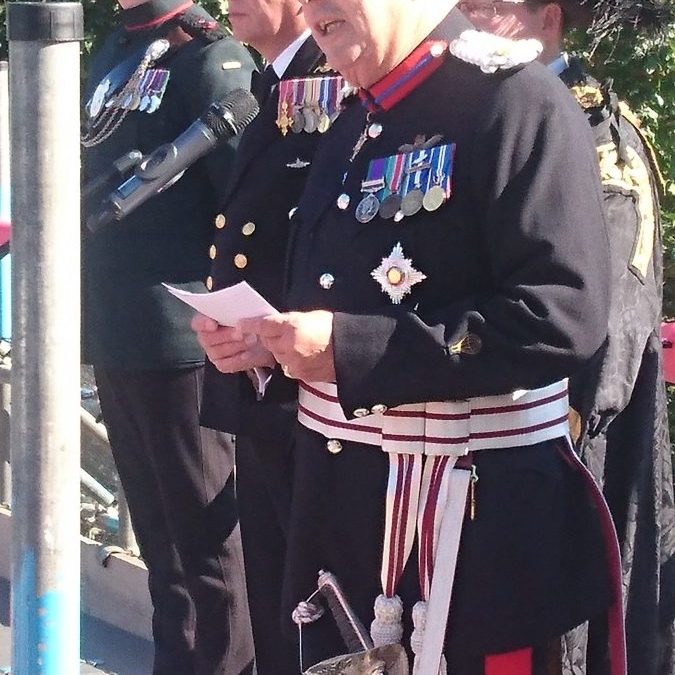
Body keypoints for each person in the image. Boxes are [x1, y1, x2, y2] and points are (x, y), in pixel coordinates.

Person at [196, 0, 628, 672]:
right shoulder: (354, 113)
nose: (308, 8)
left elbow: (560, 314)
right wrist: (270, 348)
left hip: (469, 538)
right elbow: (340, 301)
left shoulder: (515, 101)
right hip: (341, 530)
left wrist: (350, 349)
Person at [456, 3, 675, 673]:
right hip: (471, 447)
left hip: (566, 448)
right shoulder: (469, 114)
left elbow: (605, 325)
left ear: (543, 19)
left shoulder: (598, 135)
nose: (459, 16)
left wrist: (534, 434)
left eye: (480, 6)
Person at [81, 1, 255, 672]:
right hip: (119, 331)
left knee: (209, 549)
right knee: (161, 546)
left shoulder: (210, 57)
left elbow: (246, 200)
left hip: (187, 340)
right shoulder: (117, 50)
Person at [190, 1, 346, 672]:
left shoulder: (331, 83)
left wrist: (276, 352)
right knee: (278, 612)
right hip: (261, 383)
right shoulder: (273, 83)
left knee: (315, 622)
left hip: (310, 393)